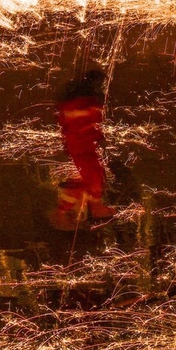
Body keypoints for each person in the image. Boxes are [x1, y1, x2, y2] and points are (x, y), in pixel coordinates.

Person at [50, 69, 116, 230]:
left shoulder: (72, 105)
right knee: (94, 179)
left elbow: (67, 124)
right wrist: (98, 136)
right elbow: (90, 124)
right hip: (83, 145)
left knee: (94, 177)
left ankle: (87, 207)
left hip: (78, 145)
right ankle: (71, 210)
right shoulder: (90, 104)